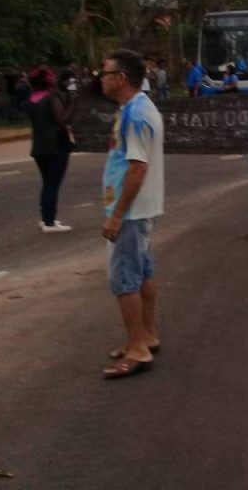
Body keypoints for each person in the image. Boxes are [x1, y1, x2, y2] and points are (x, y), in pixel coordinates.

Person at [99, 50, 165, 380]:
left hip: (131, 212)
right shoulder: (136, 109)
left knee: (125, 280)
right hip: (140, 209)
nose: (102, 78)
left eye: (106, 72)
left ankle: (138, 348)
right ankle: (146, 335)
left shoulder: (135, 114)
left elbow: (137, 168)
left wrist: (116, 214)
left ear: (121, 77)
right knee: (143, 272)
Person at [29, 69, 78, 233]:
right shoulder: (50, 99)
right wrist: (73, 101)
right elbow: (62, 119)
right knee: (52, 185)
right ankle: (49, 222)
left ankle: (46, 218)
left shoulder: (33, 99)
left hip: (39, 146)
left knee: (48, 184)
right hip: (55, 145)